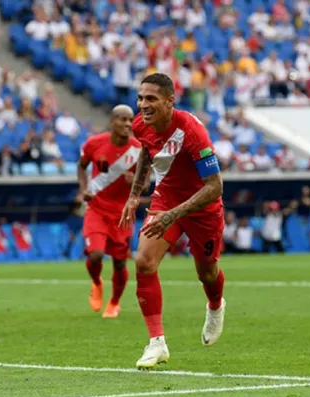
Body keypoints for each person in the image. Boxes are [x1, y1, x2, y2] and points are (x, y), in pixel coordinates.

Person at [119, 73, 226, 369]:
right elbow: (146, 151)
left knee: (207, 272)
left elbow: (215, 186)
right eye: (140, 98)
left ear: (169, 101)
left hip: (203, 207)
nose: (143, 105)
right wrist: (134, 194)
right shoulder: (142, 125)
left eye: (151, 99)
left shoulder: (191, 131)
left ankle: (216, 306)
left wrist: (174, 215)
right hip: (165, 199)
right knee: (144, 261)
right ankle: (157, 343)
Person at [77, 105, 141, 318]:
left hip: (122, 214)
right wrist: (84, 189)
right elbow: (81, 166)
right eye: (123, 120)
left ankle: (114, 302)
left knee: (119, 261)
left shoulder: (138, 149)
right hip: (97, 209)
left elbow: (147, 181)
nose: (128, 124)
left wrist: (137, 182)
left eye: (130, 120)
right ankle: (97, 283)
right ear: (112, 122)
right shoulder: (94, 144)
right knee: (95, 255)